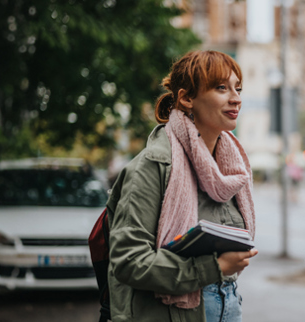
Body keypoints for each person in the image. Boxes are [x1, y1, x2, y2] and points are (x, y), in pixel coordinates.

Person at [106, 50, 260, 322]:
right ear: (187, 98)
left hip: (228, 303)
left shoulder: (233, 168)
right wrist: (212, 268)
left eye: (238, 88)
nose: (235, 98)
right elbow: (128, 261)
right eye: (221, 88)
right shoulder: (153, 166)